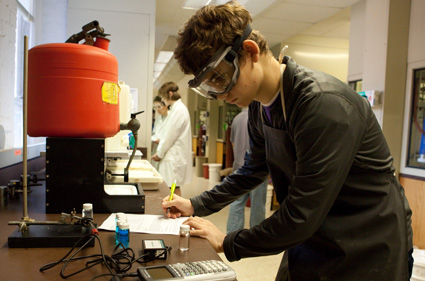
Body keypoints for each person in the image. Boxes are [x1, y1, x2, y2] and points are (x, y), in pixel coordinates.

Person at [161, 1, 414, 280]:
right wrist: (196, 204)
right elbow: (251, 172)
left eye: (220, 79)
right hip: (313, 234)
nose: (220, 94)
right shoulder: (260, 106)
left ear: (249, 51)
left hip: (367, 245)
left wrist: (227, 242)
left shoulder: (322, 104)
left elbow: (300, 216)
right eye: (210, 87)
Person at [226, 107, 269, 233]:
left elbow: (233, 143)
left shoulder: (236, 119)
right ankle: (257, 237)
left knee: (236, 204)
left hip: (238, 168)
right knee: (257, 206)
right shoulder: (262, 118)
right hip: (258, 171)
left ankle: (232, 235)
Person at [152, 82, 192, 196]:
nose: (163, 100)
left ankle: (177, 210)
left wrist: (159, 154)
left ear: (170, 94)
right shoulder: (176, 109)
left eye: (163, 97)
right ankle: (174, 209)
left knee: (173, 187)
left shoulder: (178, 110)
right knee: (172, 187)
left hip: (174, 158)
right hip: (173, 157)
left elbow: (169, 137)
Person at [151, 96, 168, 171]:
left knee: (165, 176)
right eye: (155, 107)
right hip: (156, 148)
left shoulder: (170, 118)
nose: (157, 110)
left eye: (159, 106)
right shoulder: (158, 118)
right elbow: (155, 132)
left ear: (165, 105)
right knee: (156, 171)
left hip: (166, 151)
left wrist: (160, 141)